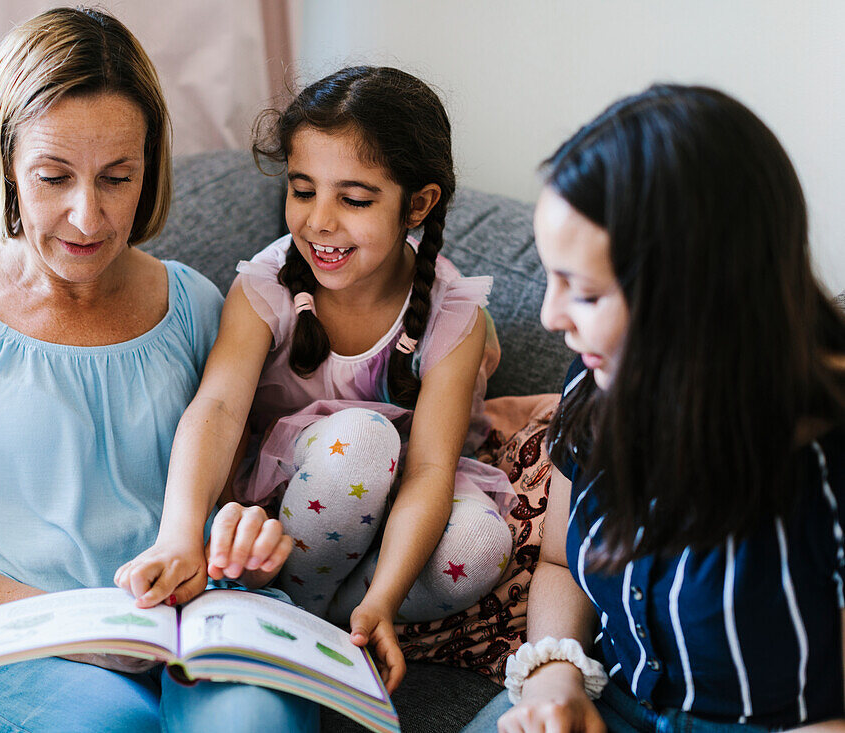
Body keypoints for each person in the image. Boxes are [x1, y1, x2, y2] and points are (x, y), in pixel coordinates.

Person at [0, 8, 317, 732]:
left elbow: (217, 501)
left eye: (116, 177)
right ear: (8, 164)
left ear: (150, 169)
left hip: (193, 626)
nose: (87, 216)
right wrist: (82, 629)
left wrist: (242, 546)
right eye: (53, 177)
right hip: (33, 646)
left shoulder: (195, 306)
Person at [116, 66, 516, 692]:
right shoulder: (265, 288)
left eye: (354, 200)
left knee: (480, 542)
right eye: (303, 191)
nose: (320, 222)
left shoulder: (455, 311)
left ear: (418, 202)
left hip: (398, 505)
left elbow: (433, 469)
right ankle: (291, 613)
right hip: (294, 507)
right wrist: (179, 537)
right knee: (361, 439)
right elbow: (217, 407)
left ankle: (340, 624)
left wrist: (382, 600)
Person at [465, 84, 845, 732]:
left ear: (696, 297)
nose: (548, 316)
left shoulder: (822, 468)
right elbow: (559, 562)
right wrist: (554, 680)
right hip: (604, 698)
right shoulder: (596, 383)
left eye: (582, 293)